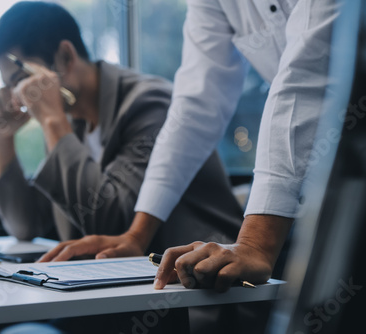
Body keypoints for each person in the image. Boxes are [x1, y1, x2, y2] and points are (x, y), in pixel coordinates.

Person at [44, 0, 340, 293]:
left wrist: (255, 244)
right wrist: (137, 235)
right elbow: (197, 105)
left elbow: (305, 78)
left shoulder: (141, 101)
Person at [0, 1, 244, 258]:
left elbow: (115, 227)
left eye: (21, 81)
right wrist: (1, 139)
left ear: (64, 57)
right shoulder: (72, 125)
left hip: (205, 288)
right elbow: (25, 226)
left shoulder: (151, 104)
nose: (18, 99)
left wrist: (53, 122)